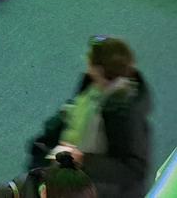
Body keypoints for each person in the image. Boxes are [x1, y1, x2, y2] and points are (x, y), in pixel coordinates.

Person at [26, 37, 151, 198]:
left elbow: (134, 169)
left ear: (98, 70)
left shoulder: (125, 114)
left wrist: (83, 159)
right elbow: (72, 111)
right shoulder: (92, 84)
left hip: (89, 186)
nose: (85, 60)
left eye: (89, 59)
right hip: (64, 166)